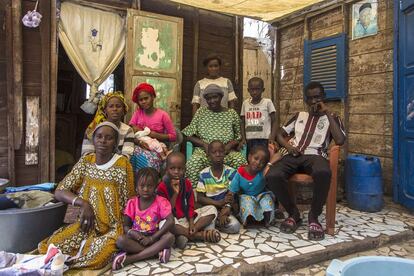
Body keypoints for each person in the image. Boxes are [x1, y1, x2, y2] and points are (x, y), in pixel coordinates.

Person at [38, 122, 134, 269]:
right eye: (99, 137)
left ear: (115, 142)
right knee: (52, 244)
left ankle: (68, 263)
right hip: (84, 225)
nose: (103, 141)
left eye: (109, 138)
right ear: (93, 140)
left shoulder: (123, 164)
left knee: (96, 257)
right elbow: (60, 190)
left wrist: (127, 229)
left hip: (112, 228)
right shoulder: (86, 161)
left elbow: (129, 201)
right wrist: (83, 203)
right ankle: (63, 260)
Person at [266, 81, 346, 241]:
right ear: (306, 100)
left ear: (323, 97)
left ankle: (314, 216)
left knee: (323, 172)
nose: (314, 101)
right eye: (310, 98)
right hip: (293, 154)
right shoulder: (299, 116)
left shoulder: (333, 118)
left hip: (316, 156)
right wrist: (288, 147)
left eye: (317, 97)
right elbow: (279, 134)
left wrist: (327, 113)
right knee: (272, 175)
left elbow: (340, 140)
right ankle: (293, 213)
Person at [183, 84, 247, 187]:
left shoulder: (231, 113)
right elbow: (188, 135)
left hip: (226, 152)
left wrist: (230, 145)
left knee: (239, 161)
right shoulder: (201, 112)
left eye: (215, 97)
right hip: (205, 153)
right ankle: (196, 196)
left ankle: (236, 193)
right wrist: (204, 144)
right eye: (209, 98)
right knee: (193, 162)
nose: (212, 101)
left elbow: (238, 137)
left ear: (221, 97)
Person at [113, 168, 175, 270]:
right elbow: (126, 226)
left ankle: (131, 258)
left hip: (155, 238)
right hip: (138, 239)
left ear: (155, 187)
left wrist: (152, 238)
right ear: (136, 187)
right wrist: (133, 234)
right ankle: (155, 253)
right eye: (142, 186)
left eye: (150, 186)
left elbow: (170, 221)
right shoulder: (132, 203)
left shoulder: (161, 201)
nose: (145, 189)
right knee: (120, 240)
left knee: (169, 237)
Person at [157, 152, 221, 249]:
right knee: (164, 223)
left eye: (180, 169)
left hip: (187, 219)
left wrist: (192, 224)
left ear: (185, 170)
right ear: (167, 170)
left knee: (212, 209)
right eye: (172, 168)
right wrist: (175, 194)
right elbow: (166, 211)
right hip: (173, 220)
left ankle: (188, 233)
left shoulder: (186, 183)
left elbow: (191, 205)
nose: (176, 172)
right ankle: (200, 235)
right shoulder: (162, 187)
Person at [129, 83, 177, 172]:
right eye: (141, 100)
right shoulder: (137, 114)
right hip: (140, 146)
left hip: (157, 149)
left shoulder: (163, 115)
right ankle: (138, 182)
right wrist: (139, 142)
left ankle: (150, 182)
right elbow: (130, 130)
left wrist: (155, 135)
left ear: (153, 97)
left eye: (146, 98)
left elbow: (173, 136)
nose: (143, 101)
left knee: (150, 160)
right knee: (131, 155)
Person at [196, 140, 241, 234]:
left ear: (225, 153)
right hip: (210, 210)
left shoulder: (231, 172)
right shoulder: (203, 174)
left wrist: (226, 210)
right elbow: (200, 198)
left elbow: (231, 196)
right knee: (209, 226)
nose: (218, 154)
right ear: (208, 155)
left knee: (235, 226)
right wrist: (217, 203)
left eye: (221, 152)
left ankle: (217, 223)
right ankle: (214, 224)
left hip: (225, 209)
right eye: (214, 152)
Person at [227, 145, 275, 227]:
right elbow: (232, 191)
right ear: (249, 157)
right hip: (247, 196)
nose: (258, 163)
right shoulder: (240, 172)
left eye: (262, 162)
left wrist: (269, 165)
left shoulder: (263, 171)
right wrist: (228, 204)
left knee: (267, 199)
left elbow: (279, 155)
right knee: (247, 202)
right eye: (256, 158)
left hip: (261, 195)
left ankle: (266, 220)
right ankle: (248, 220)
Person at [82, 92, 135, 158]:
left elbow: (127, 155)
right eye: (111, 106)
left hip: (119, 166)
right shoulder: (93, 129)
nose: (115, 109)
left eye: (118, 106)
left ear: (123, 110)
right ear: (105, 110)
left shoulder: (128, 130)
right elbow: (86, 154)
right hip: (94, 165)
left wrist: (110, 164)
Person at [240, 77, 277, 154]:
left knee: (263, 158)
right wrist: (243, 138)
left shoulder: (267, 102)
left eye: (257, 89)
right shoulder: (245, 103)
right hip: (249, 139)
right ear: (248, 90)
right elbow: (242, 122)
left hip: (264, 139)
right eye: (252, 89)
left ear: (263, 90)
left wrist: (272, 137)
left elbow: (274, 121)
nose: (254, 92)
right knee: (250, 159)